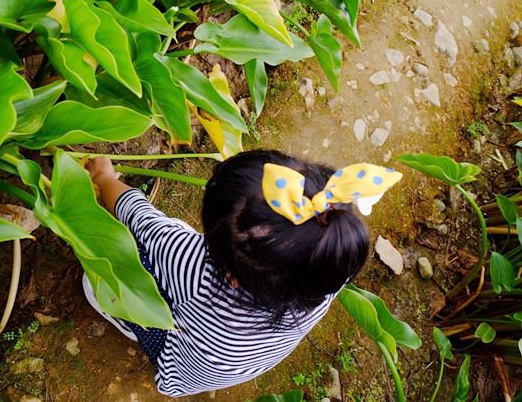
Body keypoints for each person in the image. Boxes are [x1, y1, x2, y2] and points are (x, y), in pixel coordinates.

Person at [83, 149, 402, 397]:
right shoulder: (326, 267)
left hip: (178, 362)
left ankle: (126, 318)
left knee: (100, 277)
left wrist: (106, 178)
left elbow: (142, 220)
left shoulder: (194, 272)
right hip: (242, 359)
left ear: (231, 275)